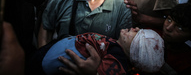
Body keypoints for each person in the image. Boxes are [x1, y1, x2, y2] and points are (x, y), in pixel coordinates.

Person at [30, 28, 164, 75]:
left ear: (136, 50)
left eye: (139, 34)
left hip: (53, 61)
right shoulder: (114, 48)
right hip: (57, 49)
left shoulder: (118, 58)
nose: (135, 28)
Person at [160, 3, 191, 75]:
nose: (168, 28)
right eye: (169, 20)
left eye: (180, 28)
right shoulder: (151, 35)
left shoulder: (186, 66)